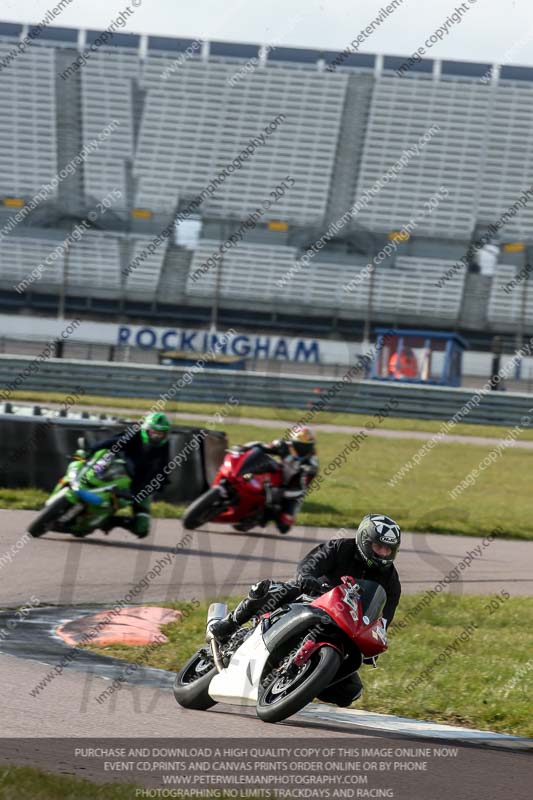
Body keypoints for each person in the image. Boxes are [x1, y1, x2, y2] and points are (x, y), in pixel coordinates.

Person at [209, 513, 401, 706]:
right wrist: (306, 577)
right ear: (365, 541)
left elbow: (383, 620)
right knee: (270, 590)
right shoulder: (341, 547)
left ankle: (302, 681)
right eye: (379, 546)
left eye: (388, 549)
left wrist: (373, 641)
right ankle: (230, 622)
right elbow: (311, 564)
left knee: (350, 692)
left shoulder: (392, 581)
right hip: (314, 598)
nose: (383, 553)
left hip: (346, 626)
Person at [86, 411, 171, 538]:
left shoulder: (164, 446)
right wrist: (89, 451)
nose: (157, 436)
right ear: (146, 429)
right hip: (119, 472)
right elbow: (109, 442)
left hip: (138, 484)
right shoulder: (135, 434)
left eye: (160, 433)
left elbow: (162, 470)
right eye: (154, 432)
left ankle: (106, 520)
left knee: (142, 528)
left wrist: (150, 488)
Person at [235, 426, 318, 534]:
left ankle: (263, 516)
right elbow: (260, 446)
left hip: (291, 490)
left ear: (310, 446)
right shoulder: (283, 445)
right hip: (275, 476)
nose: (300, 449)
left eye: (304, 446)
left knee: (284, 526)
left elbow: (302, 490)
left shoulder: (311, 465)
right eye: (297, 445)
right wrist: (243, 447)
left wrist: (282, 493)